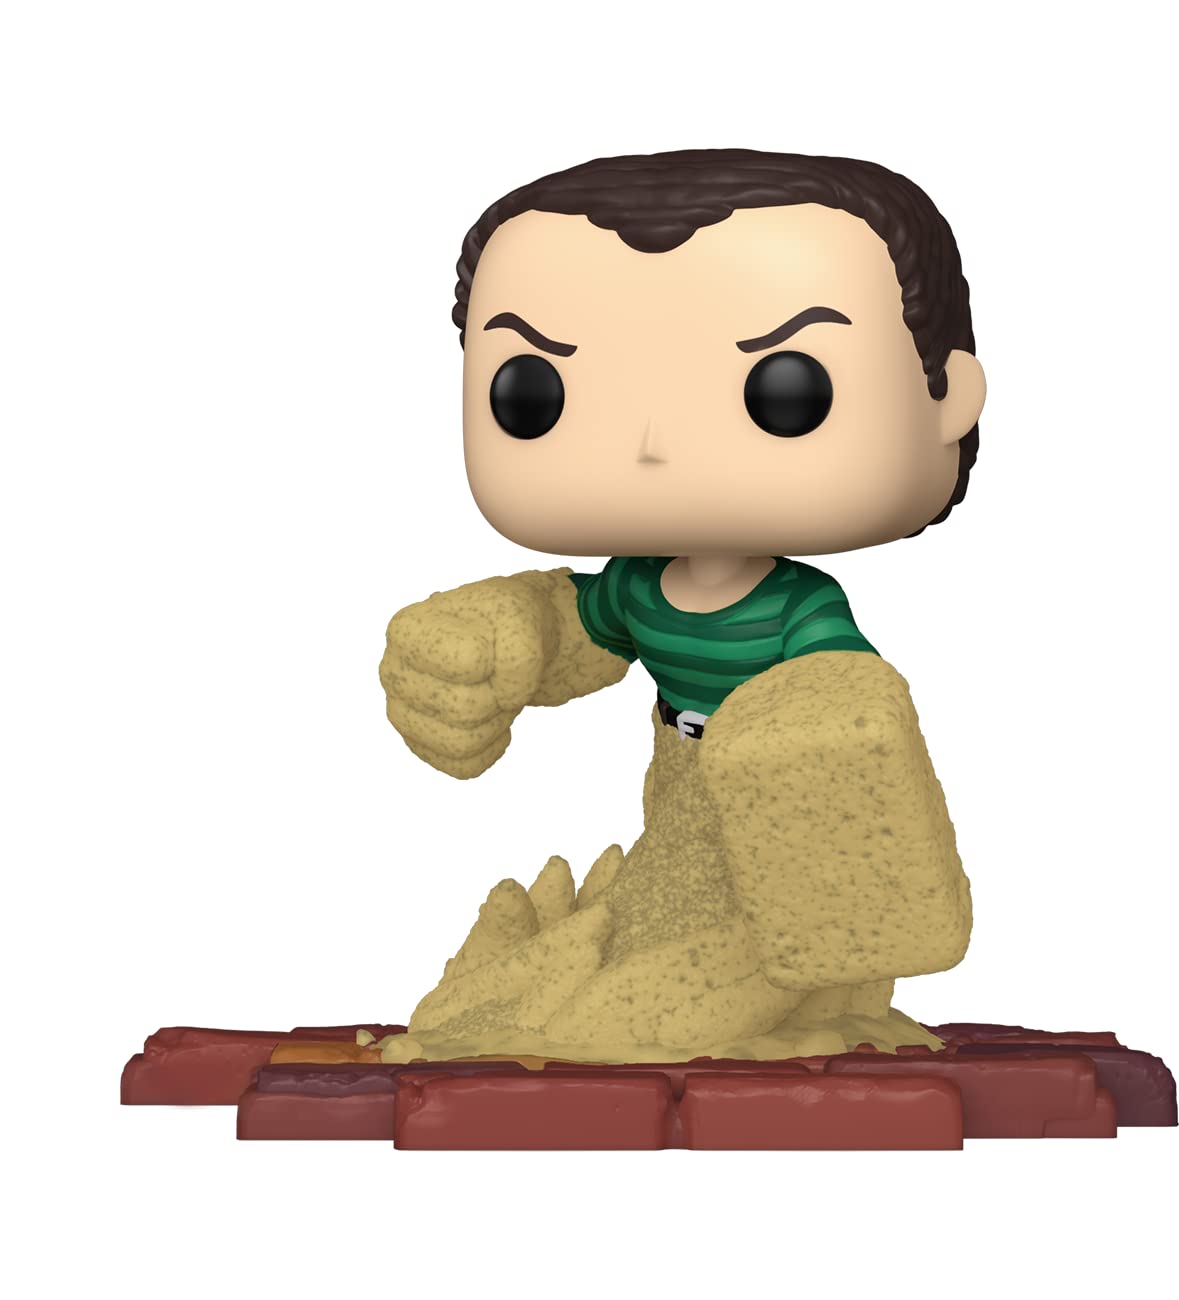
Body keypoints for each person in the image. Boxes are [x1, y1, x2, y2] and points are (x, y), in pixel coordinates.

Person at [378, 150, 986, 1064]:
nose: (654, 443)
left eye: (786, 389)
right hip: (678, 786)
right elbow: (581, 633)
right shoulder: (636, 583)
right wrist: (496, 642)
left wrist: (841, 839)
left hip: (770, 801)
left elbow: (843, 699)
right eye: (533, 394)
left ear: (948, 399)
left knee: (714, 976)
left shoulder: (797, 604)